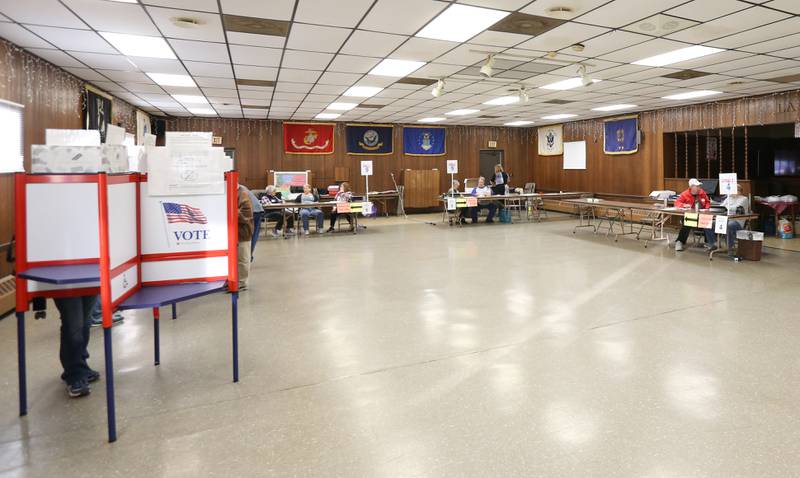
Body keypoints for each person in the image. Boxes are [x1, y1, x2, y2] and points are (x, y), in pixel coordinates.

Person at [54, 296, 99, 397]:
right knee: (73, 324)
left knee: (85, 323)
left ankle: (81, 365)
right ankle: (74, 374)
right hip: (65, 286)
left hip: (88, 282)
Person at [706, 183, 751, 256]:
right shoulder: (729, 198)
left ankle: (730, 247)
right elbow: (721, 206)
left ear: (739, 191)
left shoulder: (744, 199)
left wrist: (726, 206)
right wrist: (726, 205)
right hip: (725, 220)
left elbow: (735, 208)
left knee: (729, 225)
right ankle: (713, 244)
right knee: (708, 223)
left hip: (737, 222)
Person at [673, 178, 715, 252]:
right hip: (690, 216)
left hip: (701, 215)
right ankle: (680, 241)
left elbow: (707, 202)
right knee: (687, 222)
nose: (699, 188)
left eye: (699, 186)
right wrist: (683, 205)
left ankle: (710, 243)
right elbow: (677, 203)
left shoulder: (702, 192)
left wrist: (707, 208)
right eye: (697, 186)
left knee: (707, 221)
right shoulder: (685, 194)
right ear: (691, 187)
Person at [240, 185, 263, 261]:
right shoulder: (242, 187)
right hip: (258, 210)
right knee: (253, 235)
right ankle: (249, 256)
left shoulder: (233, 187)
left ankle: (247, 256)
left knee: (247, 235)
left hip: (251, 211)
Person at [237, 184, 253, 290]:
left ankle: (242, 283)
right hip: (233, 231)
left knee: (243, 258)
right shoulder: (227, 192)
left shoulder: (243, 194)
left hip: (243, 231)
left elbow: (245, 216)